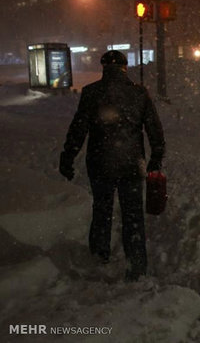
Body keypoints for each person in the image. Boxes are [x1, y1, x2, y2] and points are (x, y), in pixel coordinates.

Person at [59, 50, 165, 281]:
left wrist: (68, 156)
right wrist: (156, 155)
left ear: (104, 68)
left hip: (100, 162)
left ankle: (99, 256)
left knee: (102, 210)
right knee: (133, 216)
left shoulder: (91, 92)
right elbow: (154, 128)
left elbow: (78, 129)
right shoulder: (139, 93)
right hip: (131, 163)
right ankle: (136, 266)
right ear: (125, 67)